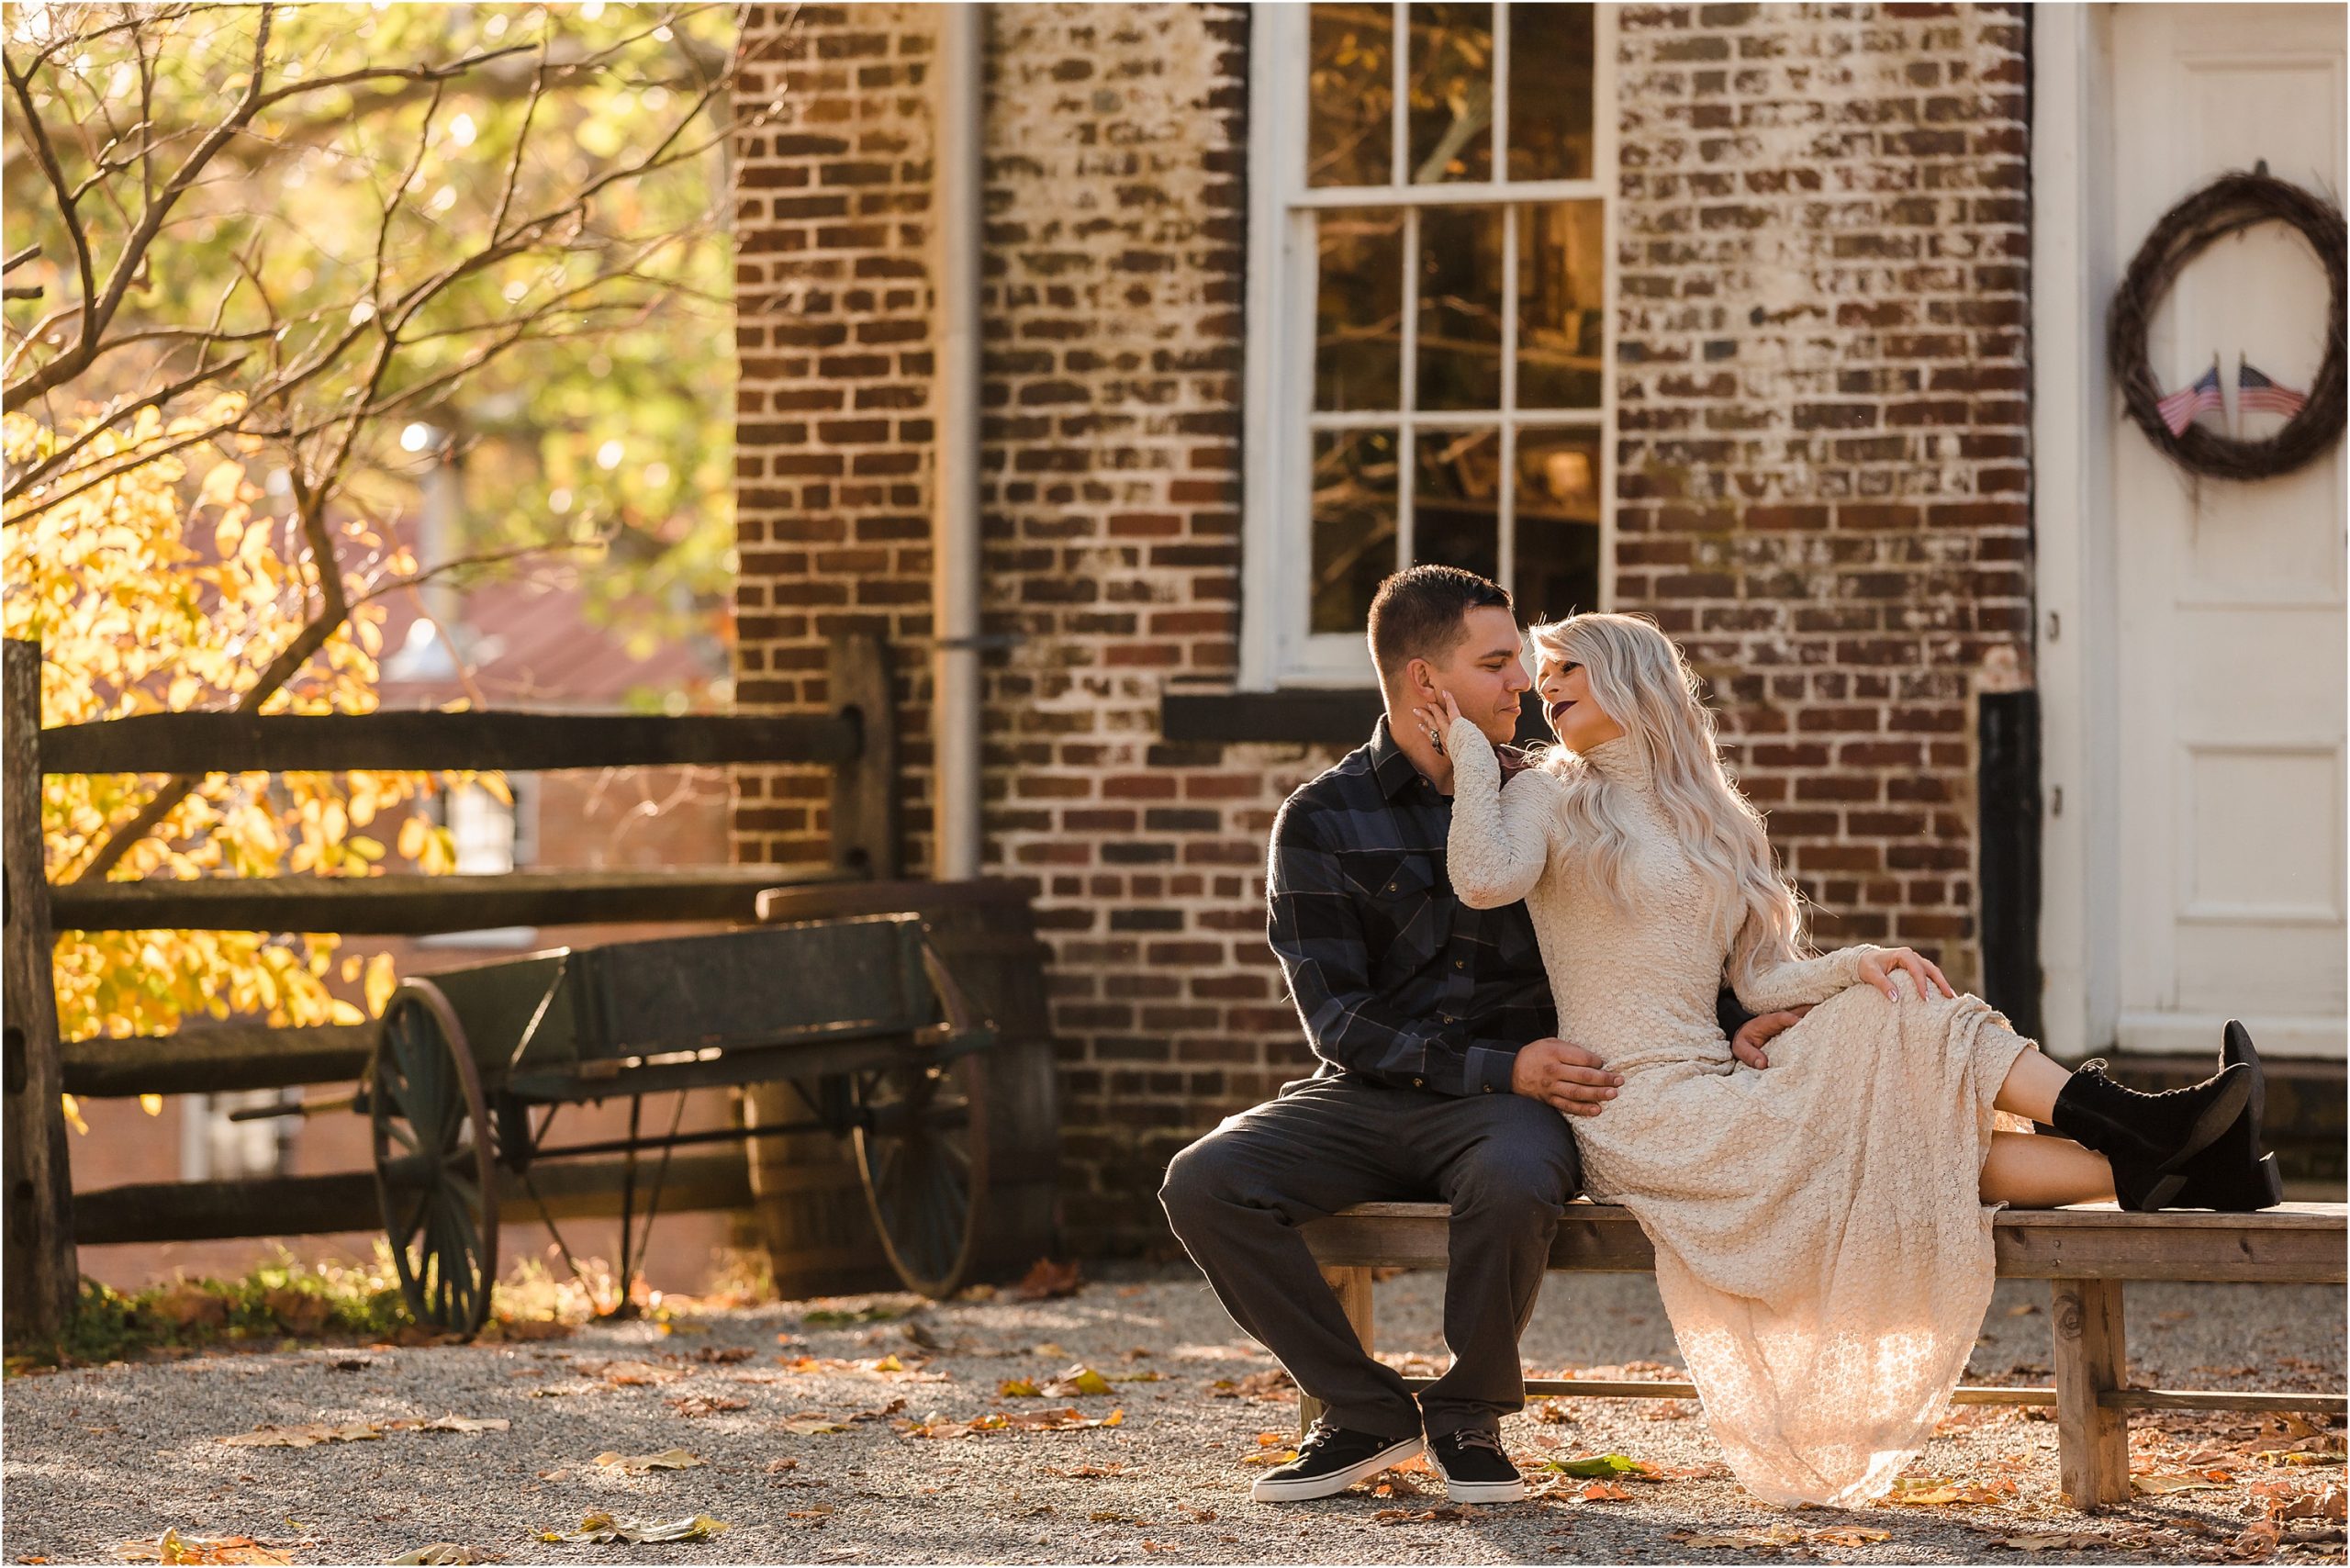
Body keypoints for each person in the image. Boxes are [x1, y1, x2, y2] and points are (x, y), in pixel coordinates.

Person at [1415, 609, 2279, 1508]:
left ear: (1632, 677)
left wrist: (1857, 963)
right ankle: (2156, 1134)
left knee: (1903, 1023)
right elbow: (1482, 877)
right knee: (1913, 1104)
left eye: (1565, 669)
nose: (1544, 687)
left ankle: (2167, 1159)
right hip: (1633, 1108)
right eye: (1540, 674)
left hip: (1718, 1078)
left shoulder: (1715, 817)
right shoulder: (1546, 794)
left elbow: (1757, 980)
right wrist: (1473, 756)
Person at [1158, 567, 1809, 1506]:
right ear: (1426, 683)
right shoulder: (1320, 818)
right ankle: (1363, 1410)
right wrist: (1505, 1061)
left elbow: (1654, 943)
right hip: (1372, 1093)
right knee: (1202, 1181)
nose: (1525, 687)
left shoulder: (1552, 797)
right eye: (1498, 663)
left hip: (1514, 1108)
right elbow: (1337, 1019)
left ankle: (1467, 1417)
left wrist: (1744, 1022)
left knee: (1510, 1178)